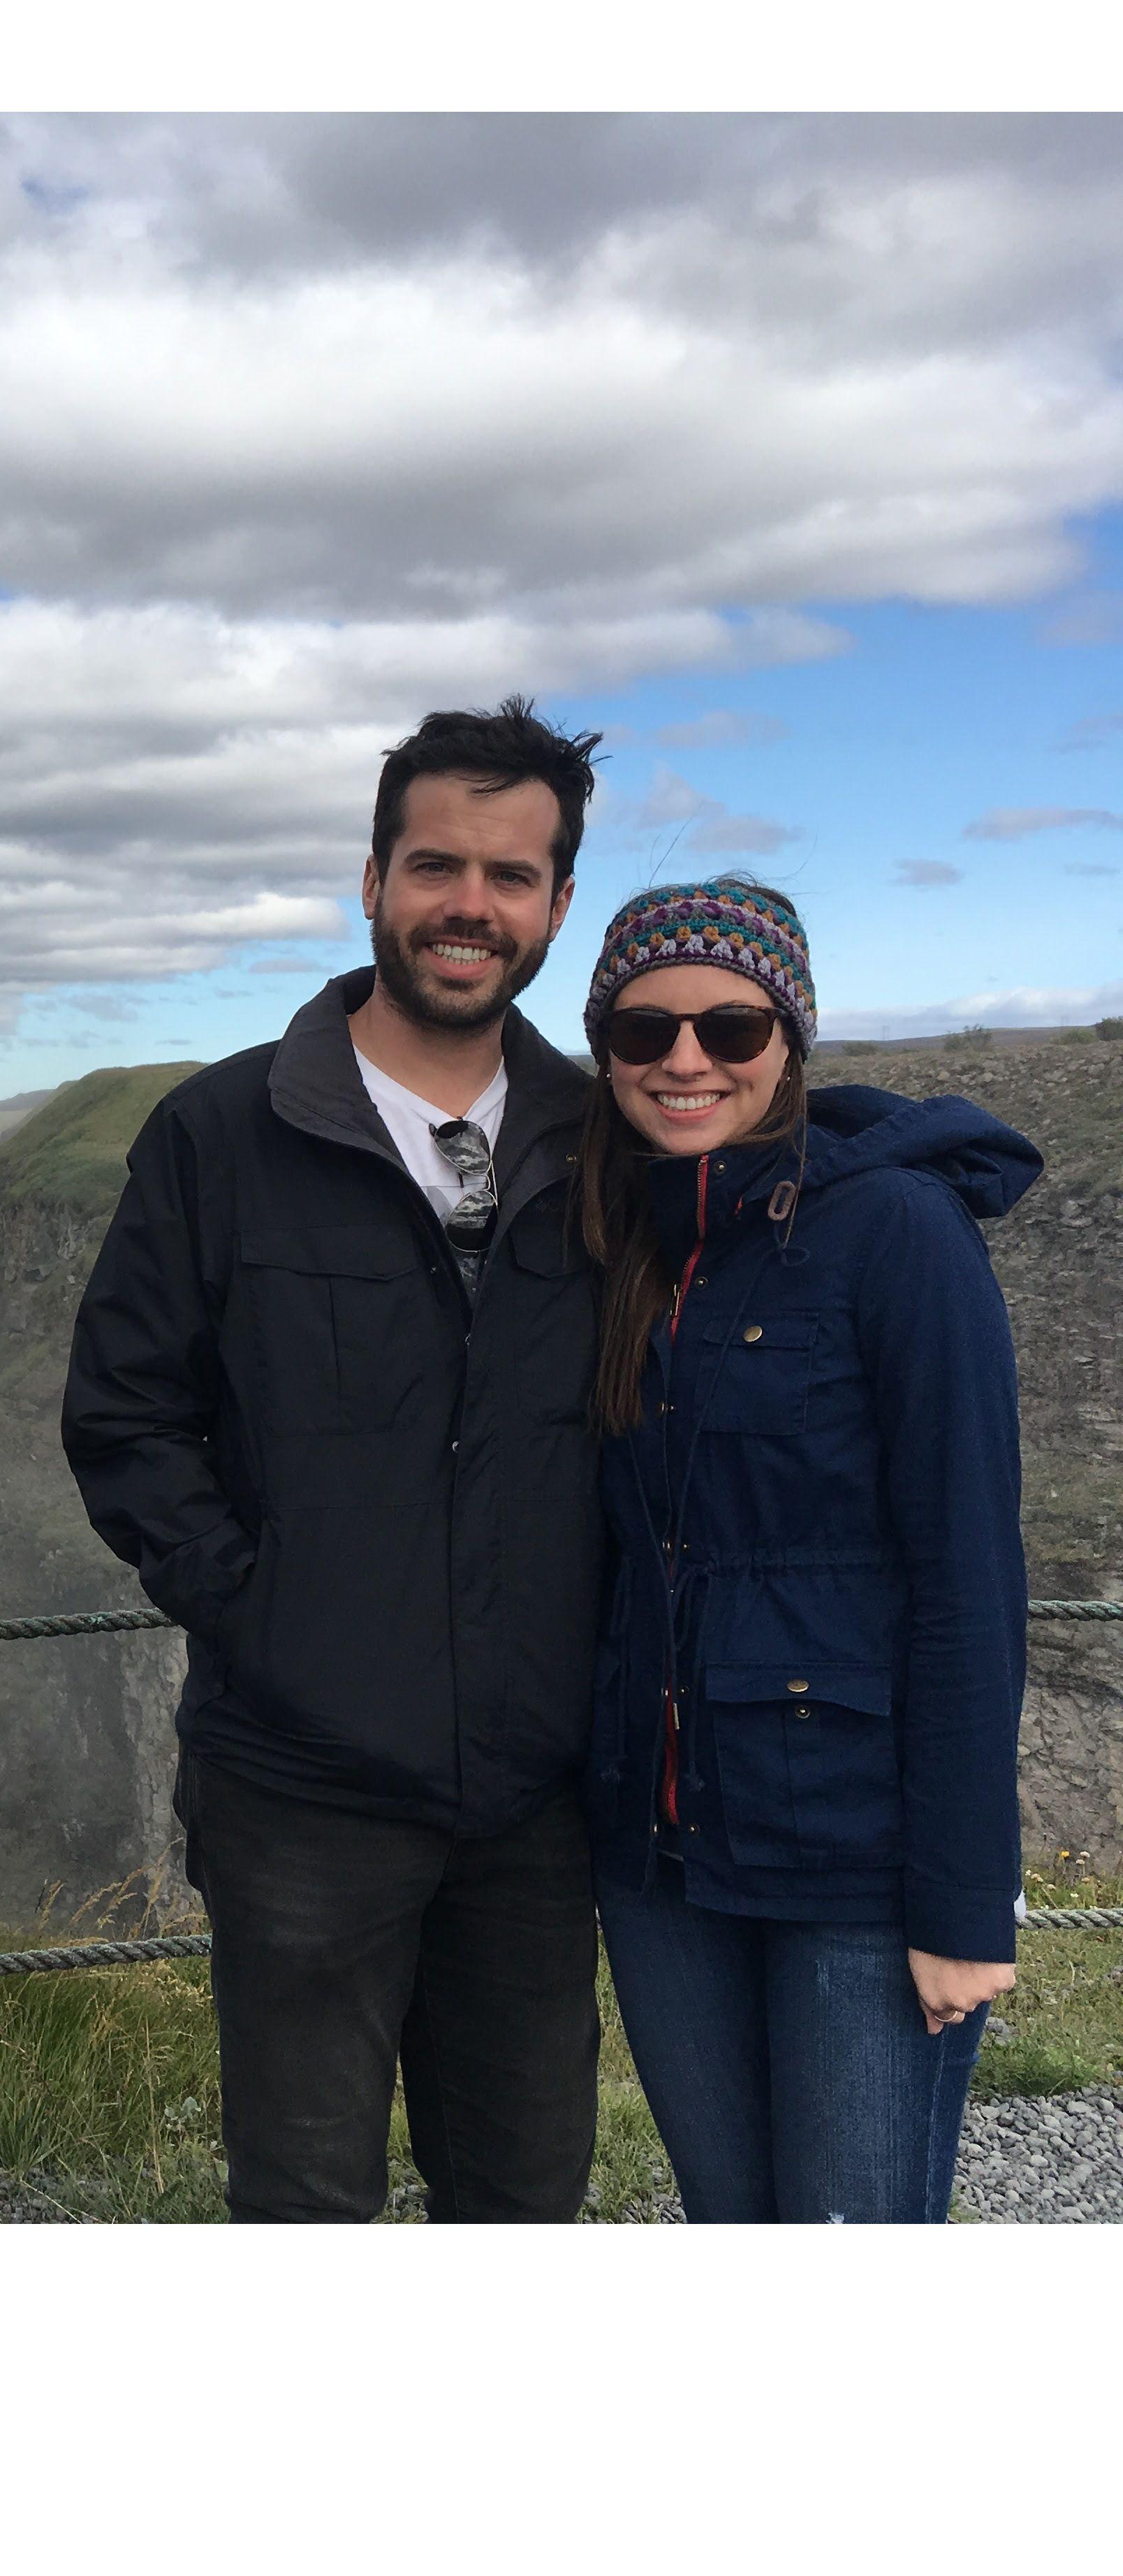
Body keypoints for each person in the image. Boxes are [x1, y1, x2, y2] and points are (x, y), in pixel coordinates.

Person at [64, 698, 610, 2222]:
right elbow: (123, 1415)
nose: (470, 908)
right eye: (437, 865)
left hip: (535, 1796)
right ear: (371, 880)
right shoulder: (223, 1131)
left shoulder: (600, 1140)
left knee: (526, 2191)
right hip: (299, 1788)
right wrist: (263, 1611)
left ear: (557, 905)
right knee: (304, 2199)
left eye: (512, 878)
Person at [577, 879, 1036, 2222]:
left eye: (732, 1026)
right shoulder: (635, 1241)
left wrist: (963, 1898)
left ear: (791, 1041)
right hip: (662, 1862)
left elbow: (968, 1580)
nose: (685, 1061)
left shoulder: (898, 1231)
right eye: (643, 1030)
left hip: (852, 1859)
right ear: (603, 1049)